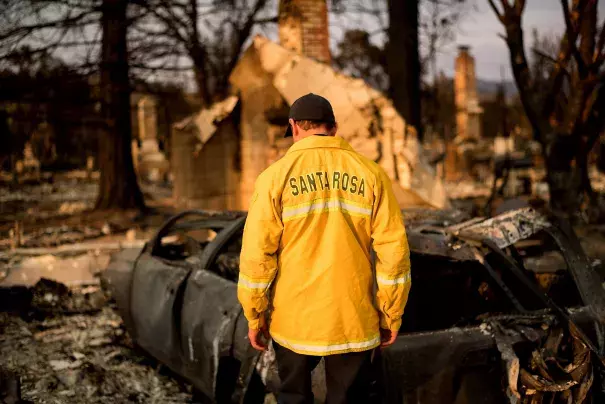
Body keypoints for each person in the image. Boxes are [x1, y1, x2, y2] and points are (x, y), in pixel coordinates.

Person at [238, 93, 411, 404]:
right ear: (334, 127)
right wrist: (390, 313)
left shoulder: (274, 178)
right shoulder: (371, 174)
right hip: (352, 319)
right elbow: (393, 252)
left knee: (293, 398)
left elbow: (257, 255)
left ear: (293, 126)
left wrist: (255, 314)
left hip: (293, 320)